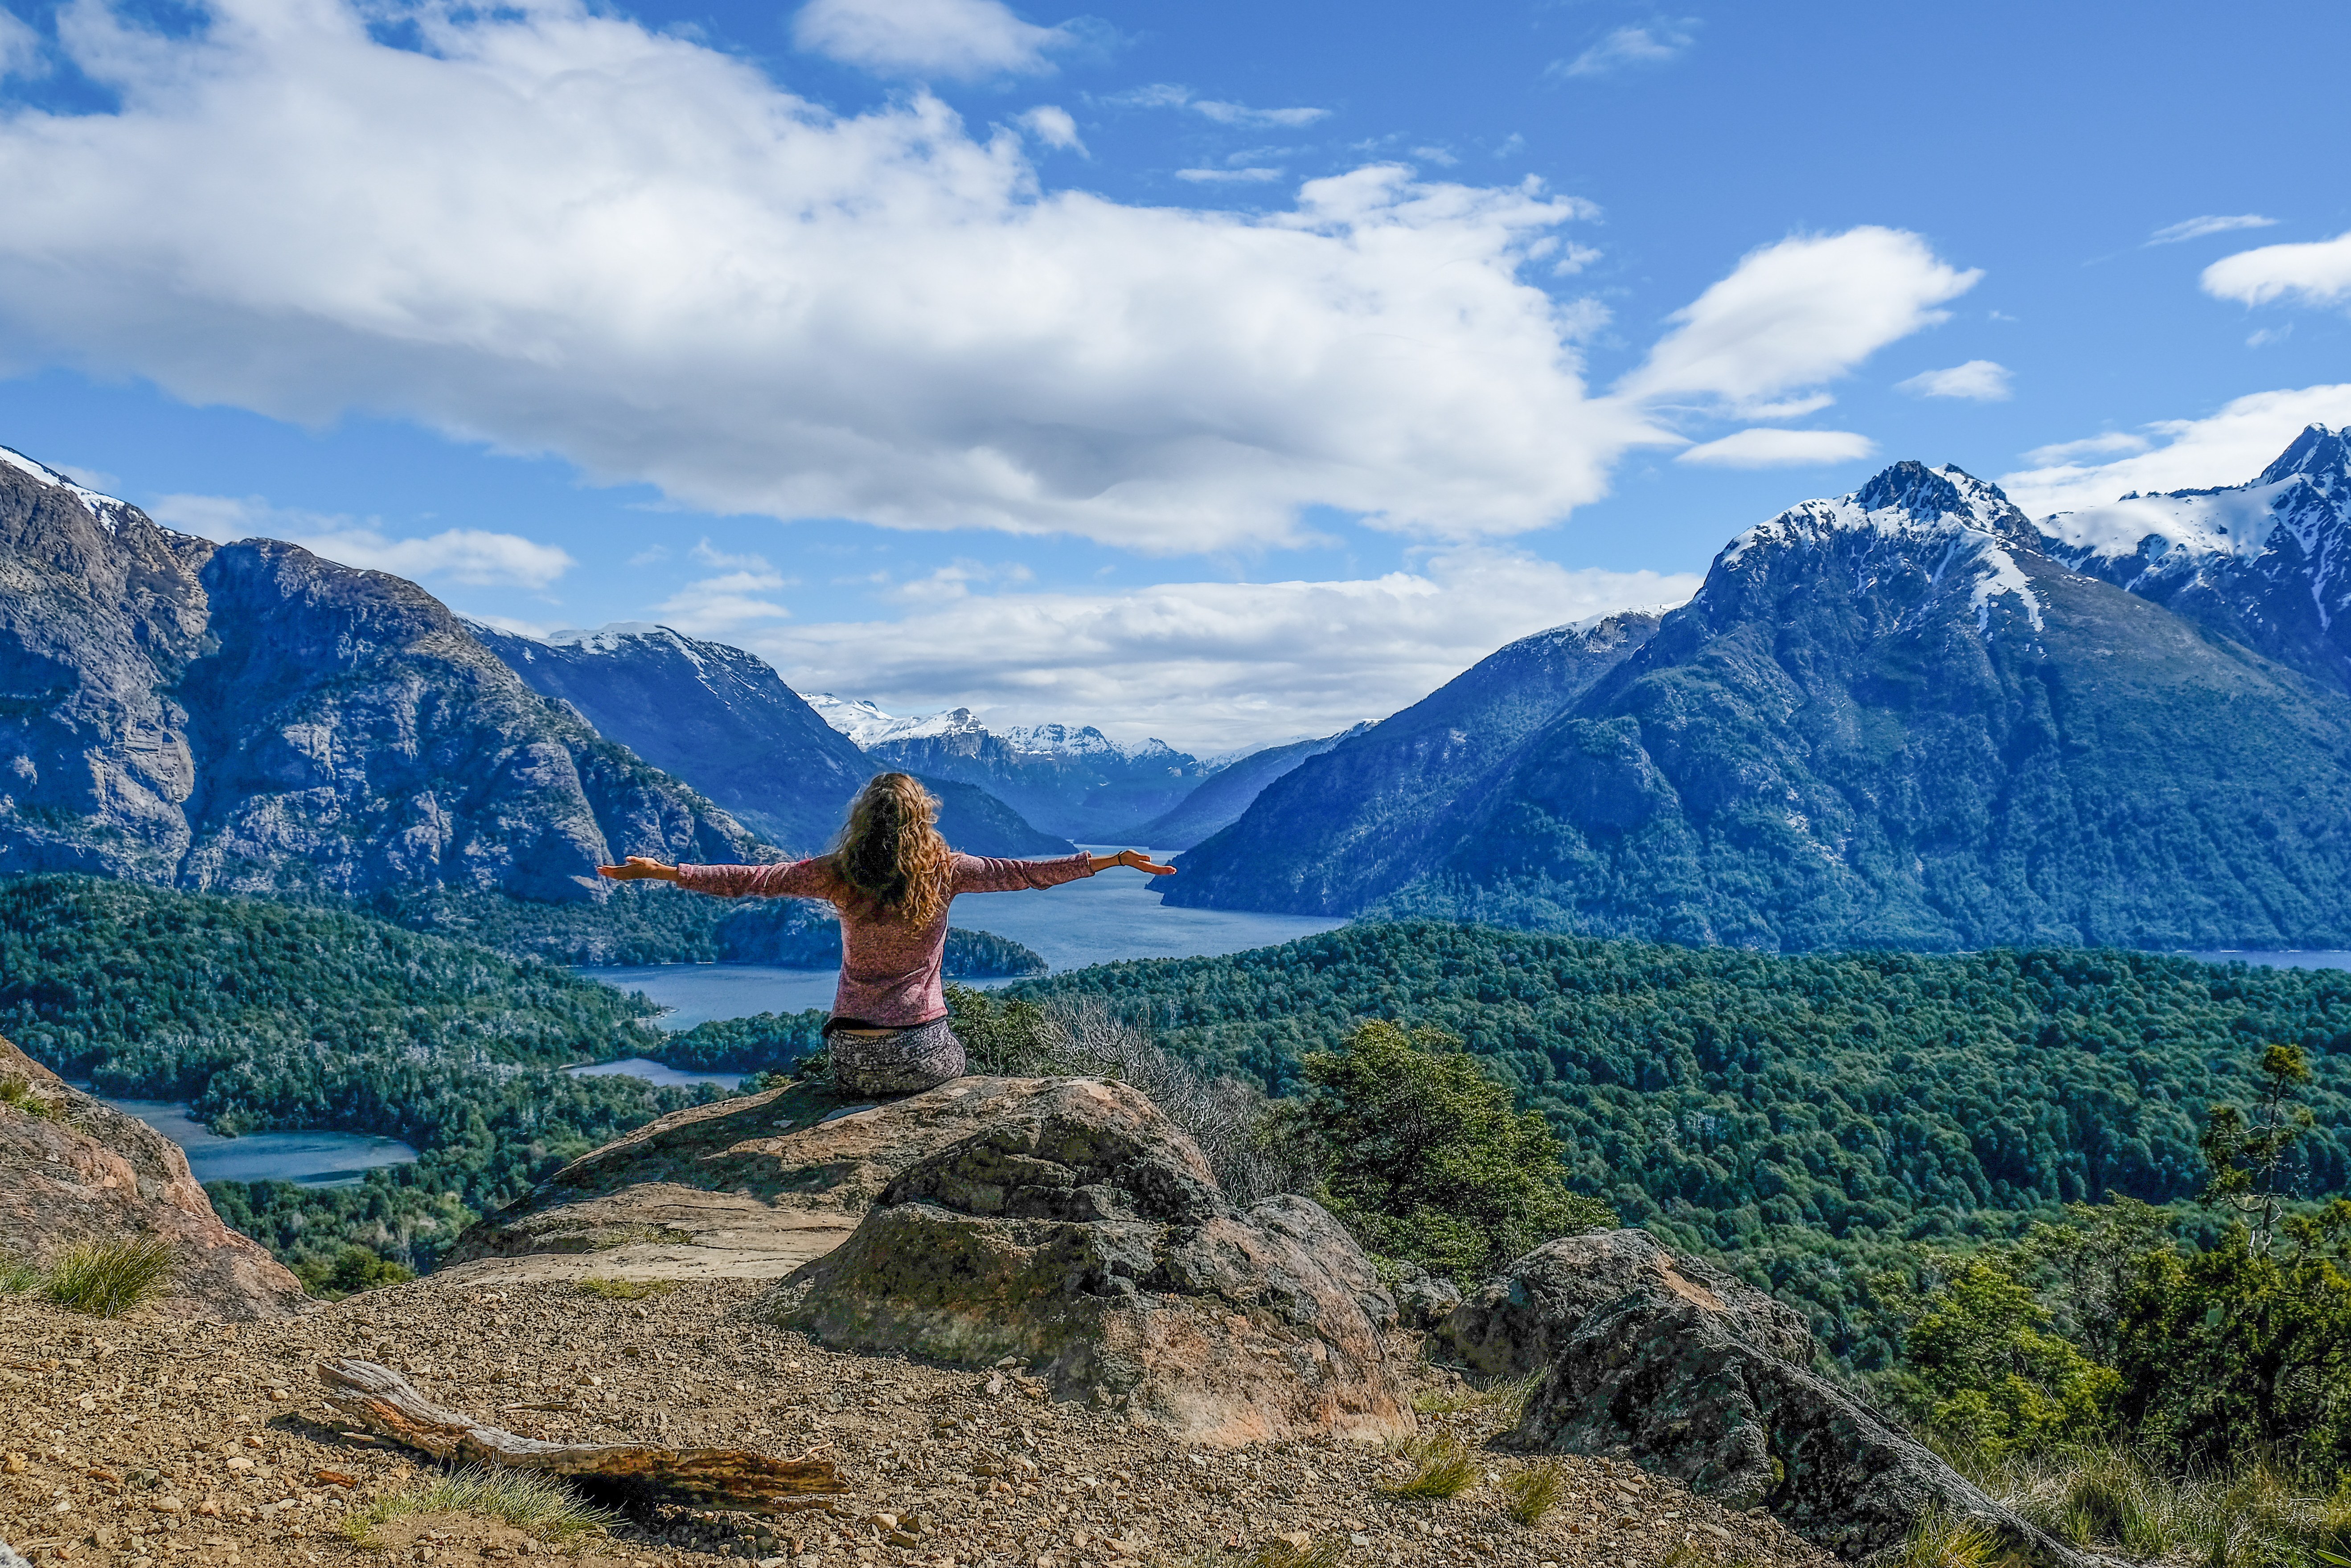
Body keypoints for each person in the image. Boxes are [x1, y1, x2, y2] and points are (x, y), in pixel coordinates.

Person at [596, 772, 1176, 1097]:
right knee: (964, 1064)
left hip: (850, 1056)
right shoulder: (947, 870)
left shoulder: (836, 873)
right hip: (924, 1054)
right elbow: (1027, 873)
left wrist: (667, 873)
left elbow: (751, 881)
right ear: (923, 820)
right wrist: (1113, 860)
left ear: (863, 821)